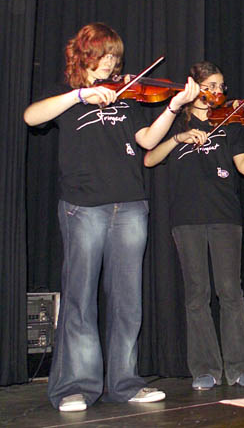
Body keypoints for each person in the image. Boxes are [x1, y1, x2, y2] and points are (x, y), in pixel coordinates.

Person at [24, 23, 199, 412]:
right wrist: (80, 95)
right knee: (80, 298)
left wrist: (173, 107)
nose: (110, 63)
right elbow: (31, 117)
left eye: (114, 57)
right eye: (103, 55)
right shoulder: (65, 94)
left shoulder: (125, 95)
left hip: (130, 205)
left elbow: (147, 141)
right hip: (83, 206)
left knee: (127, 300)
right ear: (84, 55)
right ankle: (75, 386)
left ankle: (125, 382)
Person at [143, 61, 244, 389]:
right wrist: (178, 138)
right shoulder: (176, 119)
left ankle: (241, 366)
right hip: (186, 217)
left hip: (225, 216)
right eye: (211, 86)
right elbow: (149, 158)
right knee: (197, 294)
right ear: (195, 86)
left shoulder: (230, 122)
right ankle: (205, 369)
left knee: (230, 291)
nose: (218, 92)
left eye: (221, 87)